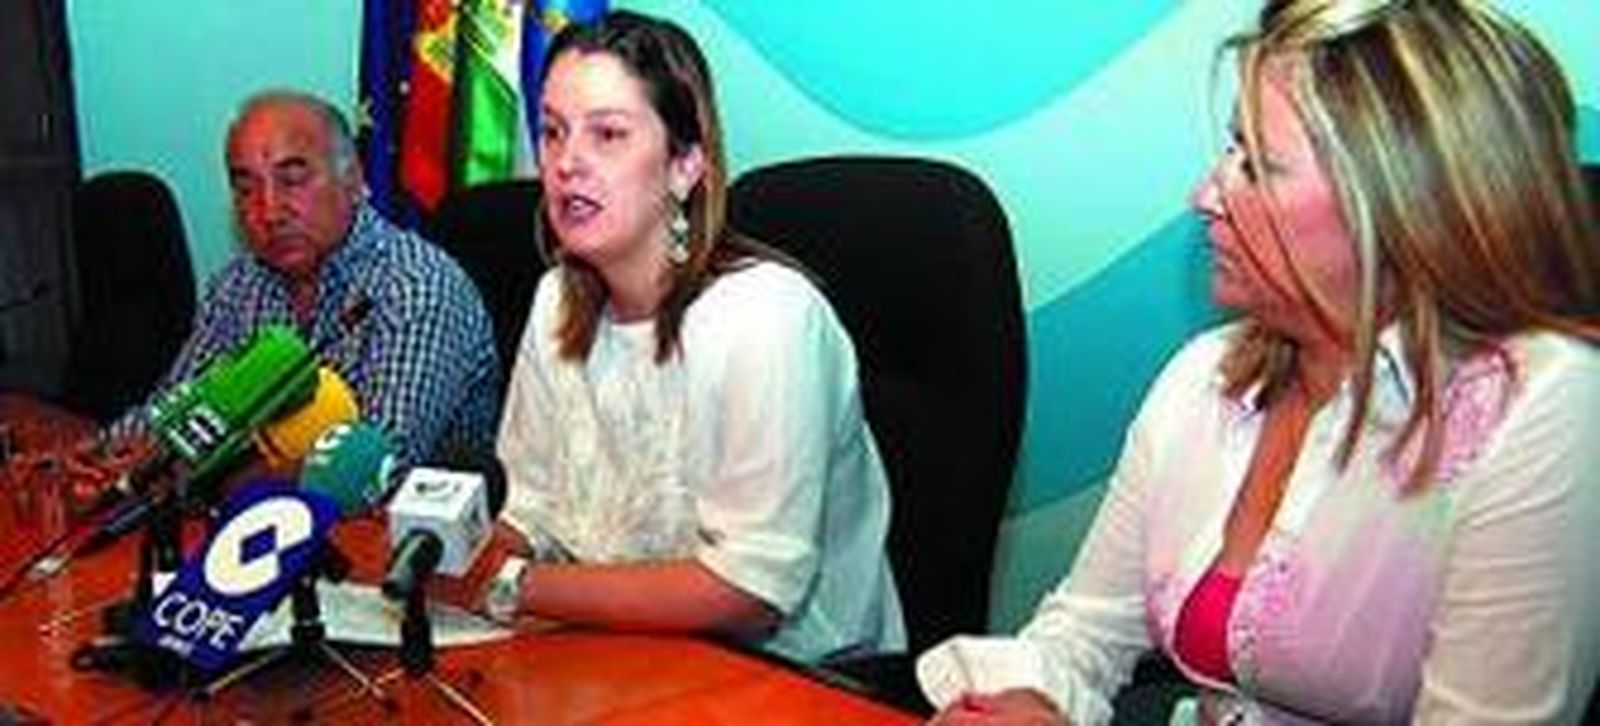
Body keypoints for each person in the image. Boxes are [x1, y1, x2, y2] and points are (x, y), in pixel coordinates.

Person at [919, 1, 1600, 723]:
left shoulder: (1545, 404)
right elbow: (1087, 629)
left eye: (1258, 165)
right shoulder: (1207, 374)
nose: (1206, 196)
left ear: (1406, 201)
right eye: (1230, 152)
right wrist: (1026, 700)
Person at [479, 10, 904, 664]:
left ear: (685, 165)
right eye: (553, 132)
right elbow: (530, 509)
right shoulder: (555, 300)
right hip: (615, 648)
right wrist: (454, 560)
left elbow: (749, 589)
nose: (566, 163)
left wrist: (511, 586)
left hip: (795, 675)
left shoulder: (769, 315)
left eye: (608, 134)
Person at [113, 90, 500, 468]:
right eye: (246, 189)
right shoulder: (238, 285)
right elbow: (174, 415)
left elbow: (375, 469)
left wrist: (224, 472)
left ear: (353, 180)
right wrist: (107, 452)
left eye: (292, 180)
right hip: (260, 506)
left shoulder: (418, 287)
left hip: (400, 512)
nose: (269, 211)